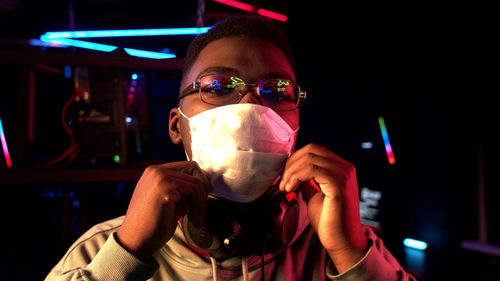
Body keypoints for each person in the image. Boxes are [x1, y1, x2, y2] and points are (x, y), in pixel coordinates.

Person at [45, 15, 415, 281]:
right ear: (177, 125)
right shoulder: (105, 250)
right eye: (219, 85)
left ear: (296, 124)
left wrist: (350, 254)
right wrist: (126, 255)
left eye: (275, 91)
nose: (250, 107)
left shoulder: (343, 245)